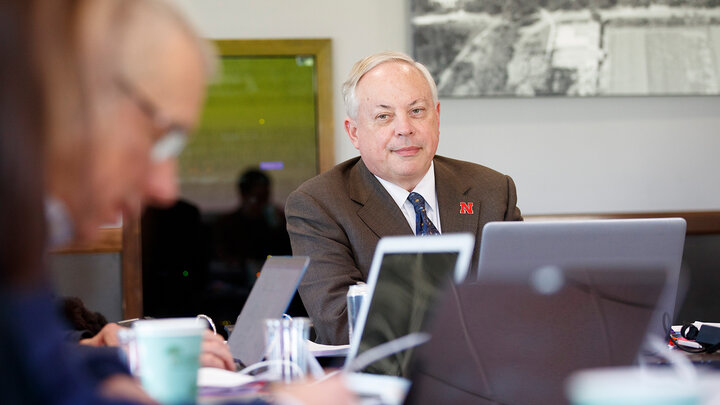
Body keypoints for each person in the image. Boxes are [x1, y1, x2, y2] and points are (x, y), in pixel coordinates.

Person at [1, 0, 355, 403]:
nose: (166, 188)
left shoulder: (19, 248)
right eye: (160, 137)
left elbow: (44, 377)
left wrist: (107, 368)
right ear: (69, 93)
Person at [285, 51, 523, 345]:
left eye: (417, 111)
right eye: (384, 116)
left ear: (436, 117)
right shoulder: (318, 204)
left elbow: (527, 298)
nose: (404, 128)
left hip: (492, 375)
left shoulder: (492, 190)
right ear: (354, 132)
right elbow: (343, 324)